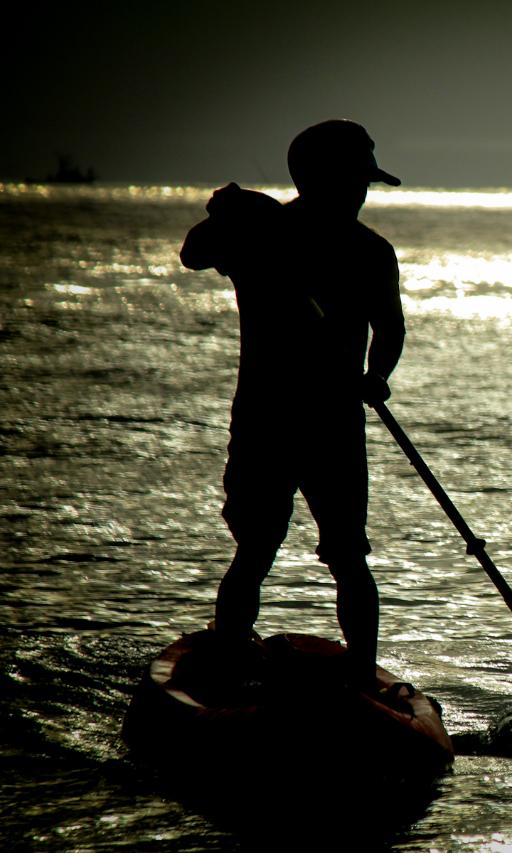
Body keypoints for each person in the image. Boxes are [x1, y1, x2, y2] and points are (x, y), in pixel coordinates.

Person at [180, 119, 405, 691]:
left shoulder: (372, 252)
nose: (362, 192)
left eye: (365, 183)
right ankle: (229, 656)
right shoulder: (260, 235)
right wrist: (226, 216)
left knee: (350, 556)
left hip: (335, 423)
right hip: (266, 420)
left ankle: (360, 675)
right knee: (256, 547)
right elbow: (193, 254)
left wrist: (377, 374)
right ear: (319, 178)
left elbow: (391, 329)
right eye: (355, 179)